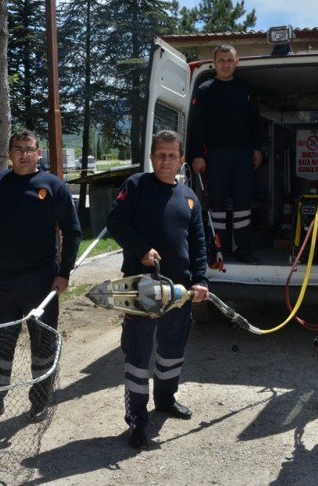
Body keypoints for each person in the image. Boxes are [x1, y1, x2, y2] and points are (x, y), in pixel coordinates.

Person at [0, 129, 82, 423]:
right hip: (2, 281)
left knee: (42, 344)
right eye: (18, 149)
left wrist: (64, 273)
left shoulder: (53, 186)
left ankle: (40, 401)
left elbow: (73, 231)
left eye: (30, 149)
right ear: (9, 153)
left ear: (39, 154)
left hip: (42, 280)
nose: (24, 155)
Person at [107, 130, 210, 449]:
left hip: (180, 290)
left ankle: (165, 400)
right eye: (160, 155)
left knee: (172, 350)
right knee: (137, 354)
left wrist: (201, 279)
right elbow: (116, 222)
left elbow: (199, 243)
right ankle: (137, 419)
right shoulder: (136, 185)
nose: (166, 160)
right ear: (152, 158)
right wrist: (141, 251)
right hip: (139, 285)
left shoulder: (189, 197)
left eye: (172, 155)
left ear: (182, 161)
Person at [188, 43, 262, 263]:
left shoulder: (246, 88)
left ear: (236, 62)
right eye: (221, 60)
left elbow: (255, 122)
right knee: (217, 204)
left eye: (230, 60)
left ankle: (243, 250)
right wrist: (196, 155)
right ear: (214, 63)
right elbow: (196, 126)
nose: (226, 65)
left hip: (244, 154)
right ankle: (216, 251)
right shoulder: (205, 89)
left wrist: (258, 148)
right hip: (216, 155)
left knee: (243, 203)